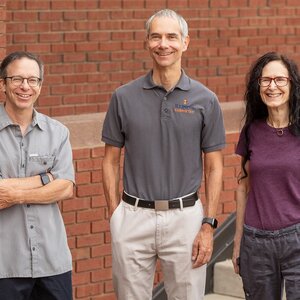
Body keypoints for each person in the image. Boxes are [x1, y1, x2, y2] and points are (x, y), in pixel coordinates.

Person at [102, 9, 225, 300]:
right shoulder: (123, 97)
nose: (163, 44)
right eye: (156, 36)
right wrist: (114, 215)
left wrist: (208, 224)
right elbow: (110, 160)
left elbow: (215, 167)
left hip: (186, 220)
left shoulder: (205, 100)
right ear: (147, 42)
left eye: (172, 36)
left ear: (185, 43)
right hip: (132, 217)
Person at [0, 51, 75, 300]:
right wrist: (44, 179)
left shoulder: (58, 133)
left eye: (33, 80)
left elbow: (65, 187)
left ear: (40, 86)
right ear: (3, 84)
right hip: (5, 264)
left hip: (52, 261)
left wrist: (12, 193)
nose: (25, 87)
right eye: (17, 79)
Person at [232, 52, 300, 300]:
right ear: (257, 86)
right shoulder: (252, 130)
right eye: (266, 80)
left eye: (280, 80)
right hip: (256, 242)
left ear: (292, 84)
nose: (273, 86)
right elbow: (242, 187)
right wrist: (238, 240)